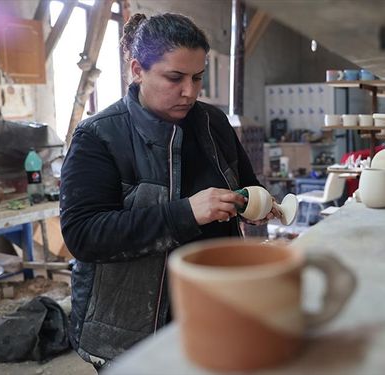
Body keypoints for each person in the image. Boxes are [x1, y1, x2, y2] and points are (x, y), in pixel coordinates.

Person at [59, 13, 277, 370]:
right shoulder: (98, 137)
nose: (189, 91)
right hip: (133, 326)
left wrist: (256, 202)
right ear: (137, 69)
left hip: (214, 306)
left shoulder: (213, 122)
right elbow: (84, 235)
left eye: (197, 77)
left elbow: (246, 184)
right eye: (174, 78)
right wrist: (185, 213)